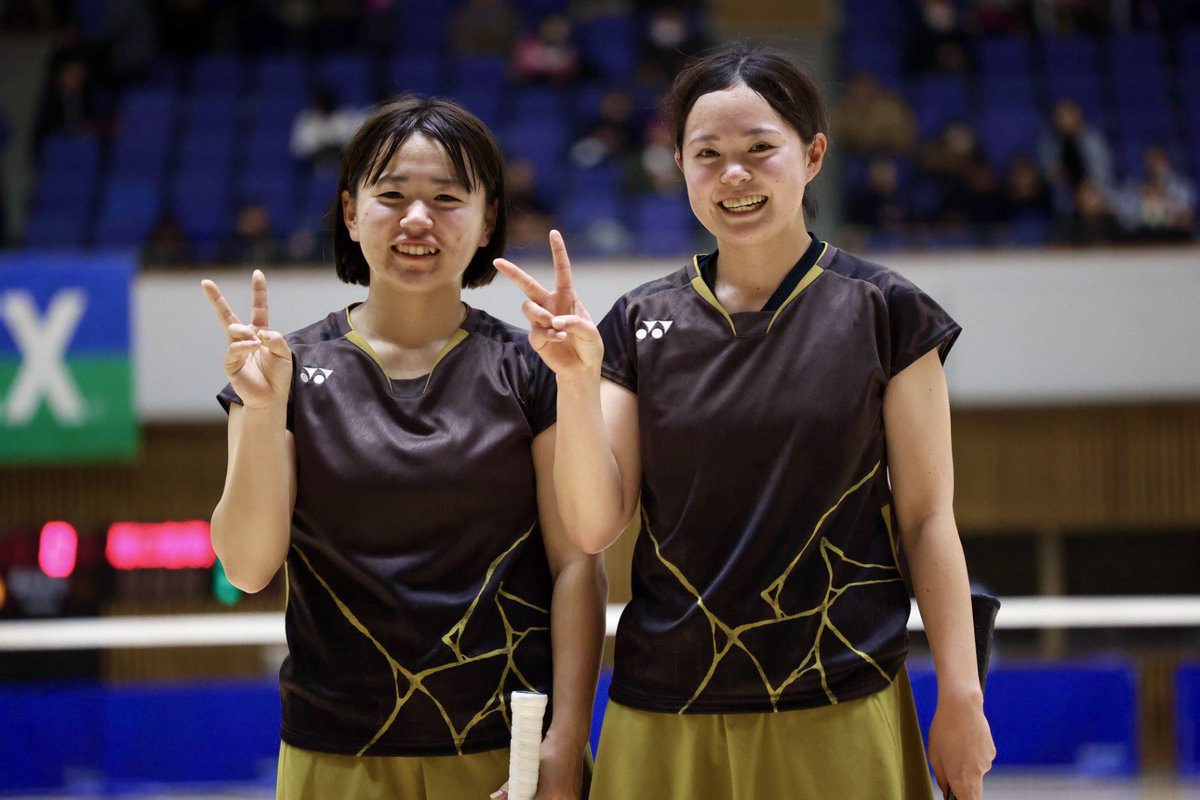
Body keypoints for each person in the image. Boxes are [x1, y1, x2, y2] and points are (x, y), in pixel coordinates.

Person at [496, 44, 995, 799]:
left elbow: (927, 518)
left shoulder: (889, 312)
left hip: (840, 697)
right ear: (681, 166)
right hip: (664, 707)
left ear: (813, 154)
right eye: (708, 154)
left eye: (760, 149)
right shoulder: (636, 322)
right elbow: (596, 527)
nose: (735, 174)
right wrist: (573, 382)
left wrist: (961, 693)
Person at [201, 95, 604, 800]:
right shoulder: (278, 368)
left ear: (487, 222)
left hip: (503, 755)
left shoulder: (535, 370)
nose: (418, 219)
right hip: (335, 755)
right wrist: (263, 410)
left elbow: (578, 565)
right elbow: (247, 565)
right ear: (352, 214)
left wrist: (566, 745)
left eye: (448, 197)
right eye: (392, 196)